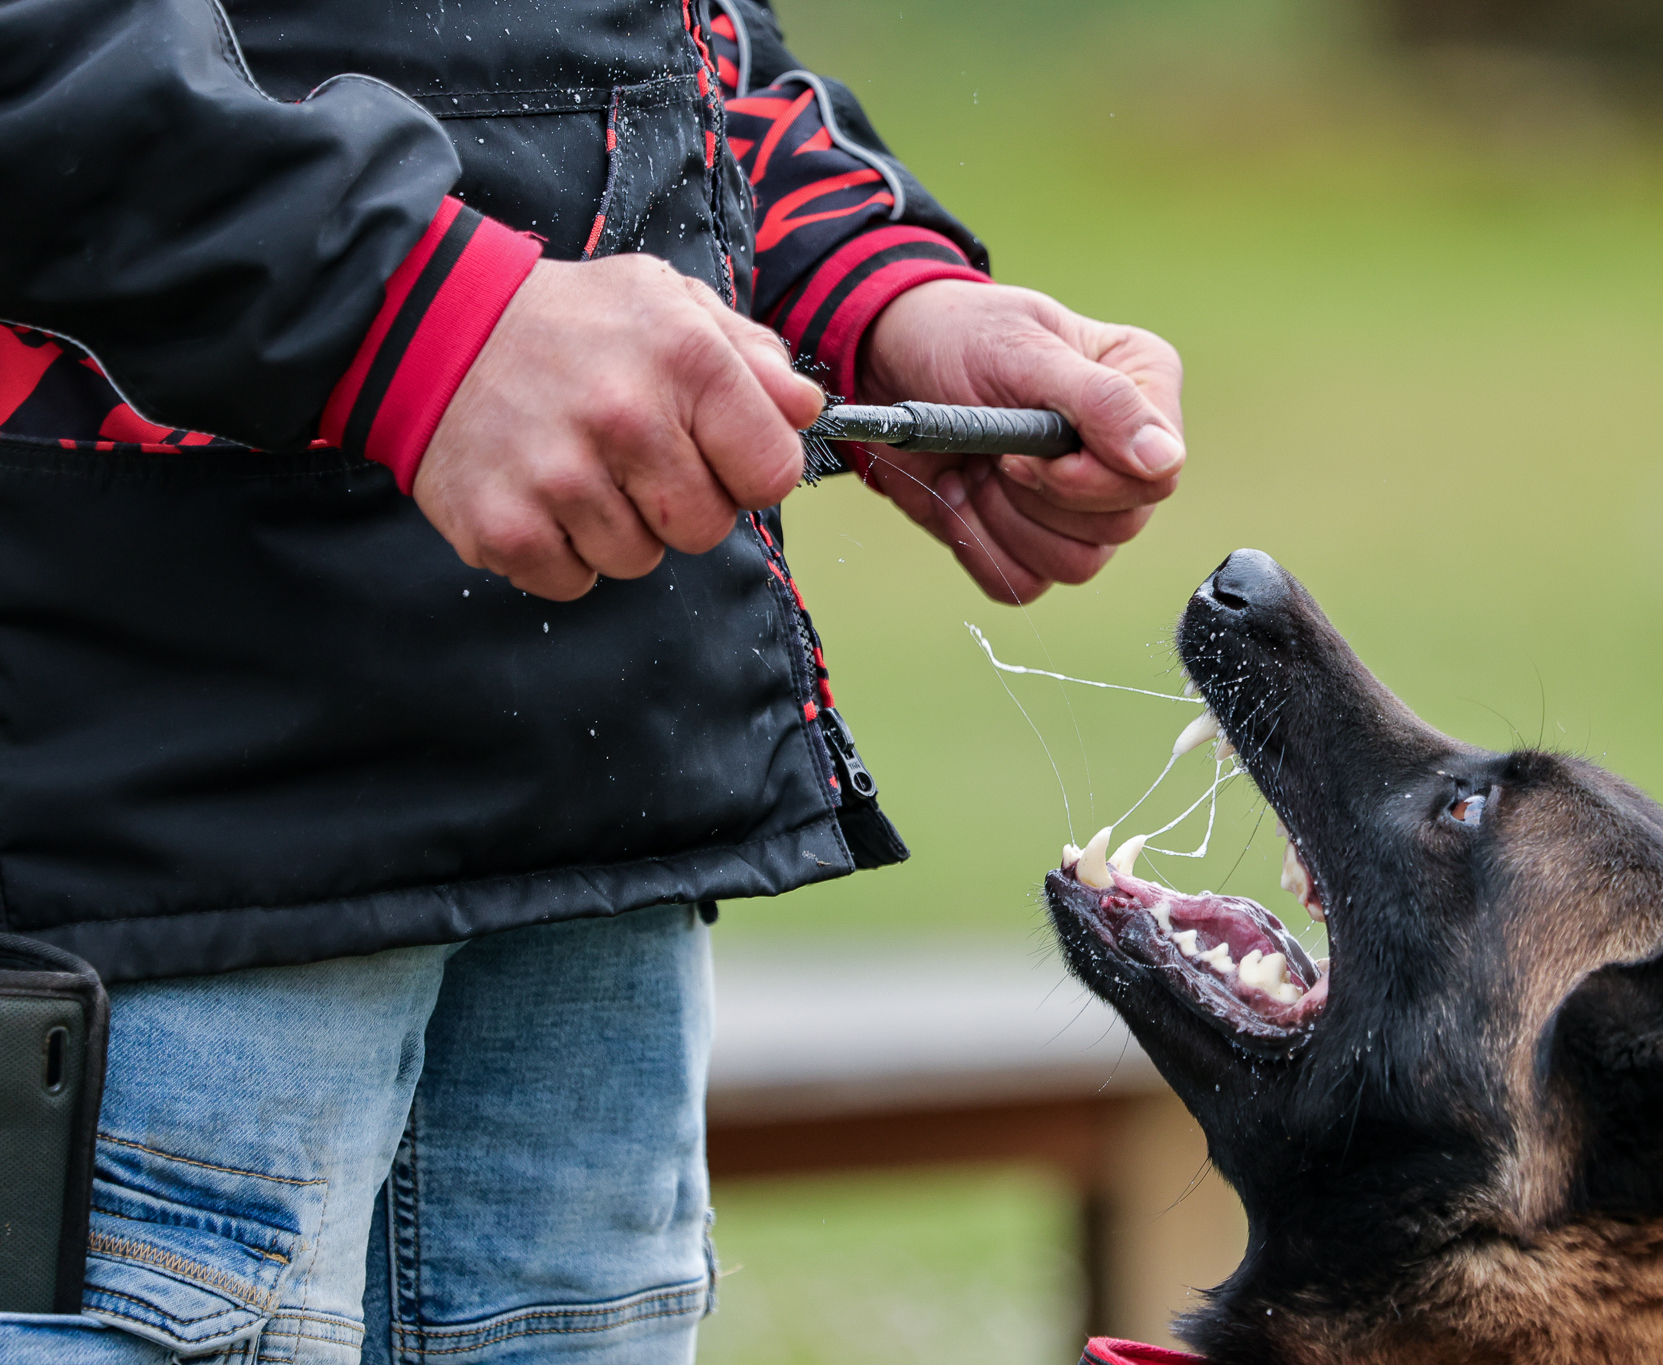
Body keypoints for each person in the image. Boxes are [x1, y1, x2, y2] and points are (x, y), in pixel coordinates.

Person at [0, 1, 1183, 1361]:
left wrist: (865, 284)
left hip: (587, 889)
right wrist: (412, 314)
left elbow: (641, 39)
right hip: (145, 895)